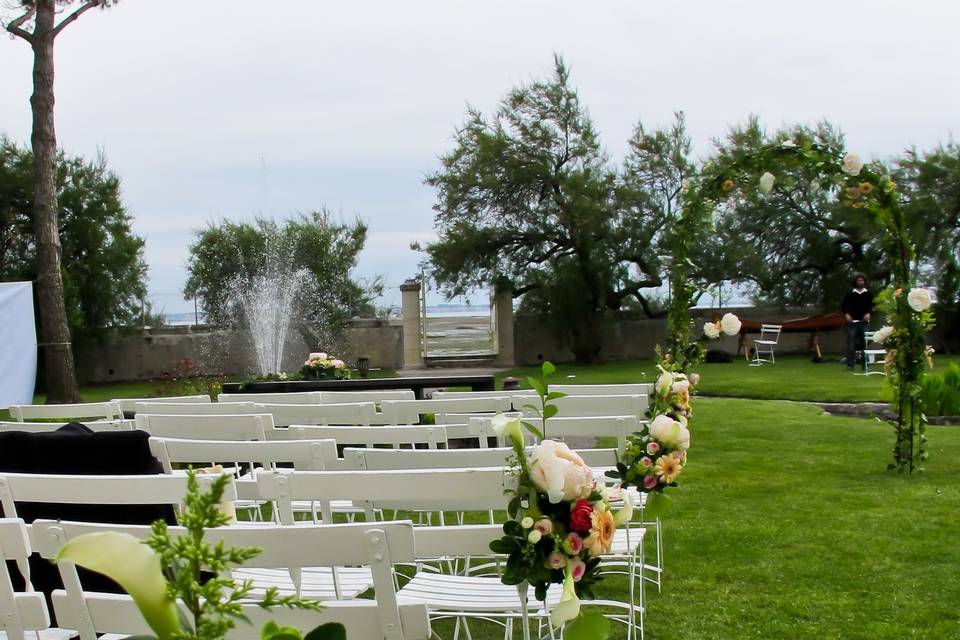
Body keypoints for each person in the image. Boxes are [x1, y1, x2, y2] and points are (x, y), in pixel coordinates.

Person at [841, 274, 873, 371]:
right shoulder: (850, 293)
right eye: (859, 280)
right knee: (851, 345)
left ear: (864, 282)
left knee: (865, 344)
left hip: (864, 323)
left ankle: (865, 365)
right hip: (852, 323)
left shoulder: (868, 294)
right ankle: (850, 365)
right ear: (855, 282)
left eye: (862, 280)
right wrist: (846, 314)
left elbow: (873, 306)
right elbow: (843, 306)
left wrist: (869, 313)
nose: (860, 282)